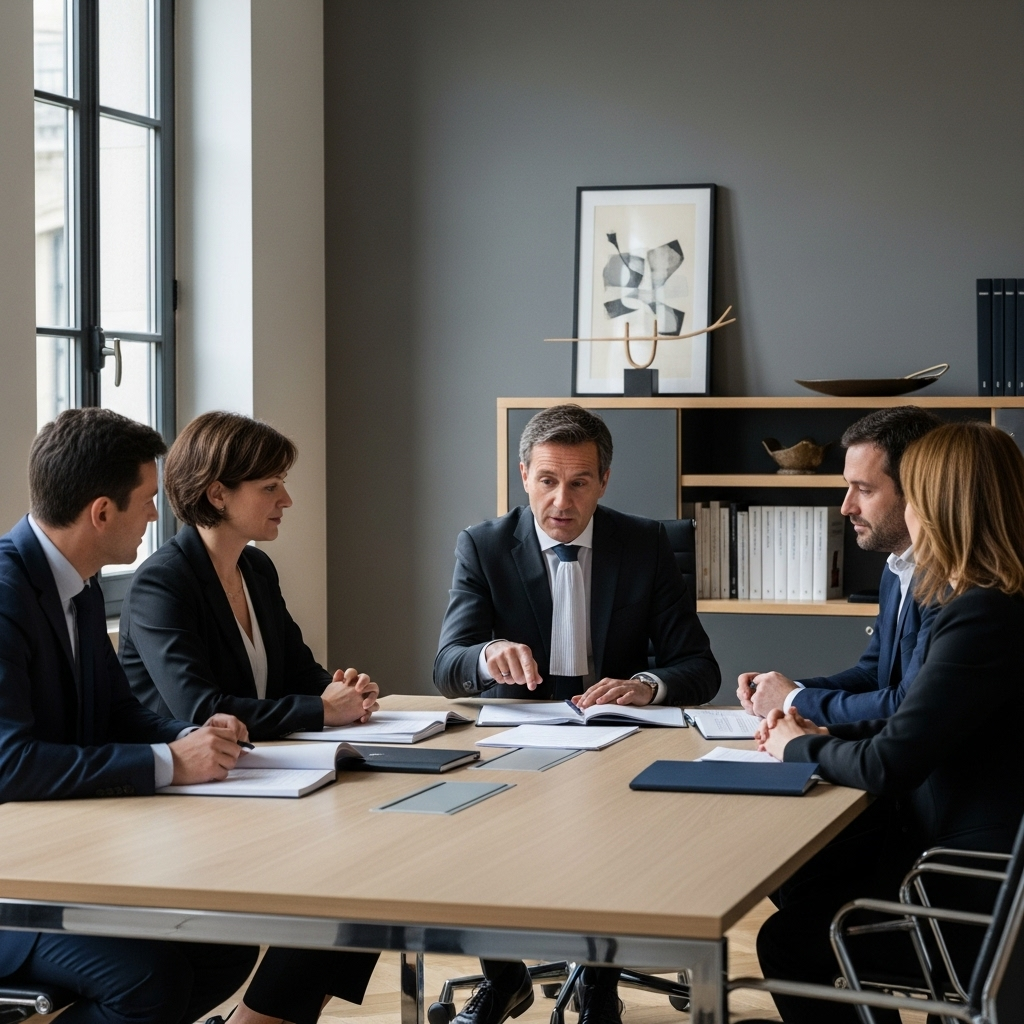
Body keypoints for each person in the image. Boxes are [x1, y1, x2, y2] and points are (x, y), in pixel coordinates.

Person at [434, 404, 720, 1024]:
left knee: (610, 825)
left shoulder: (643, 544)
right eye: (547, 481)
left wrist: (646, 684)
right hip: (518, 742)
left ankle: (598, 987)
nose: (561, 500)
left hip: (619, 742)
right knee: (468, 821)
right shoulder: (484, 546)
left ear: (605, 481)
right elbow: (446, 664)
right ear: (523, 476)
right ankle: (503, 978)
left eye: (580, 482)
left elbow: (699, 667)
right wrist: (487, 654)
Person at [754, 420, 1024, 1024]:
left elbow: (888, 760)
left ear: (941, 504)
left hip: (970, 891)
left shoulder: (980, 614)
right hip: (964, 861)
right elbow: (900, 704)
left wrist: (796, 745)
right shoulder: (980, 599)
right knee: (802, 878)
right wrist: (802, 713)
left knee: (787, 940)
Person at [119, 411, 381, 1024]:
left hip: (257, 783)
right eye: (271, 487)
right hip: (185, 801)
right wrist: (321, 709)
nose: (287, 499)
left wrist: (342, 689)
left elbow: (296, 669)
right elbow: (203, 712)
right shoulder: (162, 583)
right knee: (346, 877)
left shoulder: (254, 567)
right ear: (217, 493)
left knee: (369, 870)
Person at [0, 408, 259, 1024]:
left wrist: (190, 736)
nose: (155, 514)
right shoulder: (6, 594)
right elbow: (10, 765)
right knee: (147, 978)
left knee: (228, 946)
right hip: (13, 885)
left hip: (65, 861)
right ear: (101, 512)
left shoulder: (79, 581)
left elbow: (119, 710)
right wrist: (170, 762)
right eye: (145, 499)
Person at [737, 406, 942, 725]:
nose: (846, 507)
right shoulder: (896, 567)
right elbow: (874, 674)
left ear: (917, 489)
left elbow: (905, 704)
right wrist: (785, 692)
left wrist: (792, 699)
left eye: (864, 489)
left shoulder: (950, 582)